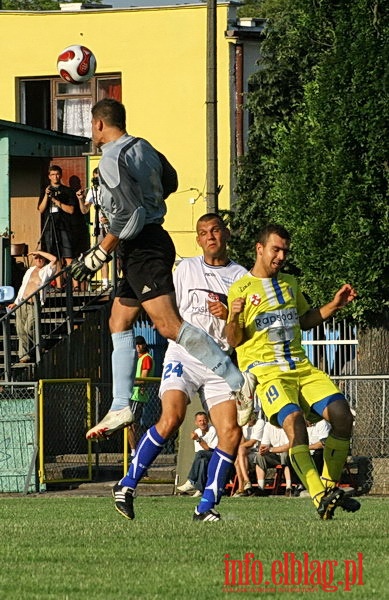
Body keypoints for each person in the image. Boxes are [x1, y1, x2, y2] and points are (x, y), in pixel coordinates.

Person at [69, 99, 255, 444]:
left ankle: (236, 381)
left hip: (143, 247)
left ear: (97, 125)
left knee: (169, 326)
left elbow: (126, 215)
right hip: (145, 242)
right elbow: (170, 179)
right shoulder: (143, 146)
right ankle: (122, 404)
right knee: (118, 320)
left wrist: (101, 251)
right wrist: (148, 202)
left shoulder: (111, 158)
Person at [108, 212, 248, 522]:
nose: (210, 236)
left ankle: (206, 506)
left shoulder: (241, 277)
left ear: (226, 234)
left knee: (231, 433)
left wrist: (229, 315)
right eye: (203, 232)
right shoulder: (185, 269)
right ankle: (127, 485)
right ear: (198, 240)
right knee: (171, 418)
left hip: (219, 362)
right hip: (183, 355)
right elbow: (165, 309)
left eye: (215, 230)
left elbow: (241, 334)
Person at [227, 223, 361, 520]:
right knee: (294, 423)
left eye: (285, 251)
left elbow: (305, 320)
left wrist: (335, 305)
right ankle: (318, 494)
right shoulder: (240, 289)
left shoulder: (289, 283)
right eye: (276, 249)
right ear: (259, 249)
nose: (281, 256)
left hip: (301, 367)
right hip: (268, 372)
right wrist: (234, 315)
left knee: (342, 415)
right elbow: (233, 340)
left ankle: (328, 489)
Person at [7, 250, 57, 362]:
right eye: (36, 258)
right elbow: (23, 286)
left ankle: (38, 348)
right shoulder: (29, 270)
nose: (38, 260)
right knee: (20, 329)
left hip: (34, 303)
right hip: (22, 302)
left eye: (41, 258)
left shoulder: (46, 270)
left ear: (44, 259)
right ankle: (24, 356)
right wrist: (16, 302)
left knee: (30, 327)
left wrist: (39, 251)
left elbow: (54, 259)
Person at [37, 165, 75, 288]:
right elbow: (41, 209)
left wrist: (57, 201)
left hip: (64, 226)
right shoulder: (46, 191)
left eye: (57, 174)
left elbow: (71, 210)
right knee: (56, 258)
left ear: (61, 175)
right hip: (50, 227)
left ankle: (75, 285)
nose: (55, 177)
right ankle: (59, 285)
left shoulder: (67, 191)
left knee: (68, 257)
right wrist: (46, 196)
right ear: (49, 176)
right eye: (52, 175)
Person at [77, 167, 111, 289]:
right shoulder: (93, 191)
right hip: (99, 226)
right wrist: (81, 199)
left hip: (112, 225)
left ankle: (121, 279)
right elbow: (84, 210)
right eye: (95, 178)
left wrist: (109, 218)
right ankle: (105, 282)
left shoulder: (111, 189)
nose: (97, 181)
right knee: (102, 253)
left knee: (118, 254)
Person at [176, 411, 218, 497]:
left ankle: (191, 481)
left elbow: (209, 449)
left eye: (204, 420)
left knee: (200, 454)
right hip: (204, 457)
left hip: (215, 455)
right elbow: (200, 454)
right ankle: (200, 489)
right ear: (196, 423)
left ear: (208, 421)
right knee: (203, 461)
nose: (202, 423)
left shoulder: (213, 430)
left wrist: (198, 439)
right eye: (200, 421)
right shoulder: (197, 432)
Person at [127, 335, 155, 455]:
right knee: (131, 424)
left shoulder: (146, 358)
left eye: (140, 344)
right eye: (136, 344)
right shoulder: (138, 358)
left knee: (131, 423)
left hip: (138, 395)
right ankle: (135, 450)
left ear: (144, 345)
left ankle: (135, 451)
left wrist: (129, 381)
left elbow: (143, 379)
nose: (138, 347)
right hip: (134, 394)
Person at [291, 419, 331, 496]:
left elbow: (323, 443)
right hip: (305, 451)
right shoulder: (299, 425)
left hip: (319, 452)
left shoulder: (322, 423)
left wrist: (306, 447)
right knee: (291, 455)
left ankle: (317, 483)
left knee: (318, 453)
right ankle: (299, 484)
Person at [256, 421, 292, 496]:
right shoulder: (268, 426)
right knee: (259, 456)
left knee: (284, 455)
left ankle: (289, 487)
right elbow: (264, 444)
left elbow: (288, 446)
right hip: (274, 455)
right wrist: (262, 449)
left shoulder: (287, 424)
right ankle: (261, 488)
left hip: (287, 454)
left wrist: (270, 449)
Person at [233, 412, 265, 497]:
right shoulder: (244, 426)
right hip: (246, 453)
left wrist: (239, 448)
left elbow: (252, 442)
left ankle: (242, 487)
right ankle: (245, 484)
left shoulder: (260, 423)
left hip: (258, 452)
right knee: (238, 459)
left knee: (238, 459)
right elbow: (243, 442)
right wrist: (240, 430)